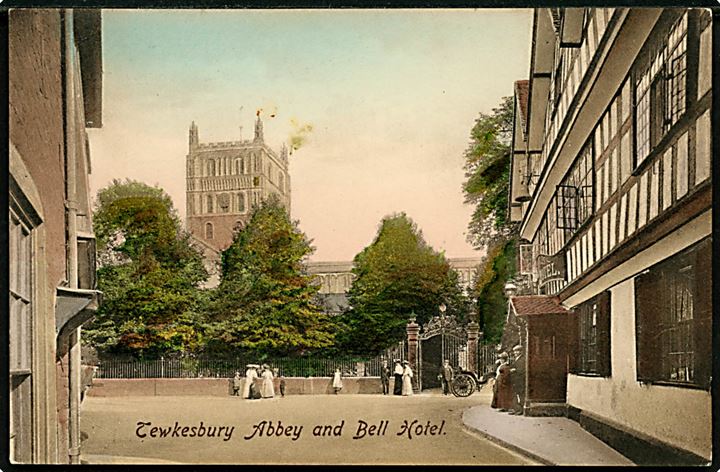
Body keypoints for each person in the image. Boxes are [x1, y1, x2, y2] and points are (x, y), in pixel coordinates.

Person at [508, 345, 526, 415]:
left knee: (520, 395)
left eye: (516, 351)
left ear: (520, 351)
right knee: (516, 394)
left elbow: (522, 370)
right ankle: (516, 409)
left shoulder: (522, 359)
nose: (515, 353)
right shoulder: (517, 359)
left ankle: (520, 410)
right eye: (514, 351)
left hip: (520, 380)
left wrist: (514, 370)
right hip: (516, 380)